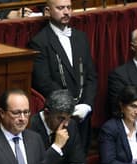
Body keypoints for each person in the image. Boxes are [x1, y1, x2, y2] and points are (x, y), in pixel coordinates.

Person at [29, 0, 97, 153]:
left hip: (83, 114)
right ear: (47, 11)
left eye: (69, 8)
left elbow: (91, 76)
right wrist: (69, 106)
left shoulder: (81, 37)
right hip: (59, 116)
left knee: (82, 161)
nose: (66, 12)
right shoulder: (39, 42)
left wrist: (87, 104)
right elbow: (43, 82)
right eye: (60, 8)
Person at [28, 89, 86, 164]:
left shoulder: (71, 126)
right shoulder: (30, 128)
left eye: (69, 118)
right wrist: (56, 147)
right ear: (47, 113)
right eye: (61, 118)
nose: (66, 124)